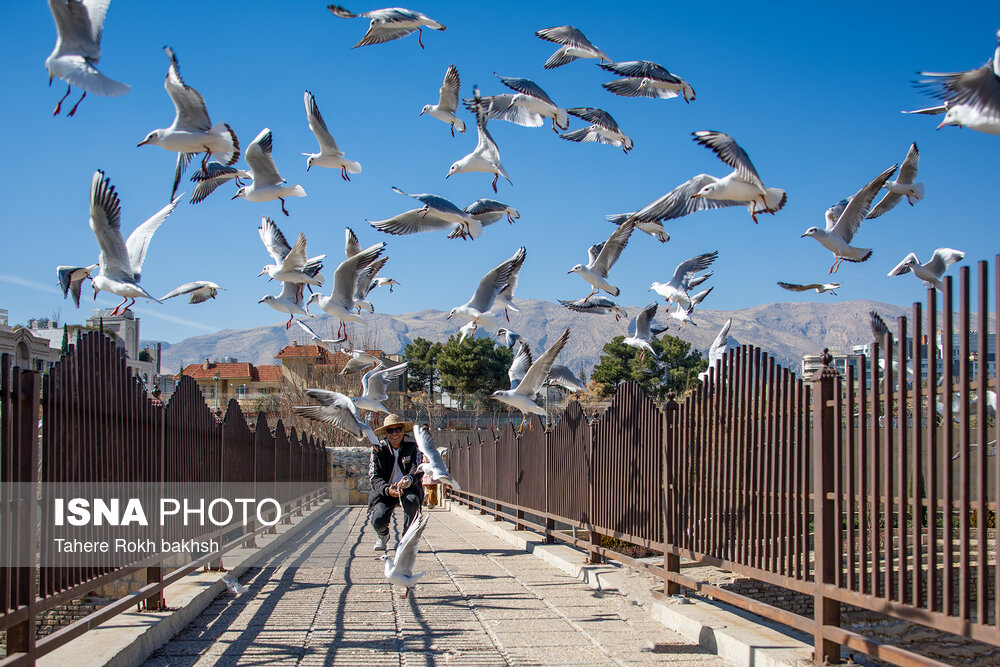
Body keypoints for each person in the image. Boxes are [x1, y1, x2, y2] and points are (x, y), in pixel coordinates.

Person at [368, 414, 424, 551]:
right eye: (390, 430)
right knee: (378, 520)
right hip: (386, 490)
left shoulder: (414, 445)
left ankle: (407, 540)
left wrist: (409, 480)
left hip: (408, 487)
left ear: (403, 430)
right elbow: (374, 476)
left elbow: (418, 468)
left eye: (398, 429)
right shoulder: (378, 449)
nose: (395, 434)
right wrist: (387, 489)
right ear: (385, 433)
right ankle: (383, 536)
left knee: (411, 502)